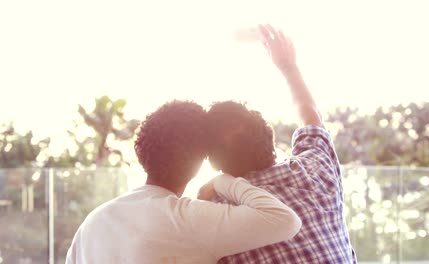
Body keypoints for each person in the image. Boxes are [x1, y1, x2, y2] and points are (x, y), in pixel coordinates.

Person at [65, 100, 301, 264]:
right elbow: (284, 219)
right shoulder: (189, 220)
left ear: (142, 151)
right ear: (199, 162)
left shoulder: (93, 222)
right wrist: (222, 181)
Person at [202, 25, 357, 263]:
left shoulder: (214, 215)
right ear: (268, 134)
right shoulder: (315, 169)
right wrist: (288, 67)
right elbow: (310, 114)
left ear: (212, 159)